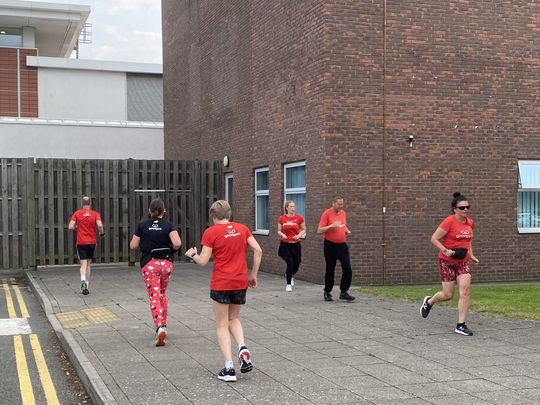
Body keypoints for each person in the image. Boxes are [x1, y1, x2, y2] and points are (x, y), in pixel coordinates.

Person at [185, 200, 262, 382]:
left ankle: (229, 369)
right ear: (229, 214)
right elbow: (258, 250)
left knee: (221, 324)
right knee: (233, 319)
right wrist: (253, 275)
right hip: (240, 281)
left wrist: (192, 254)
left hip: (221, 282)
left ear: (213, 216)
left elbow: (203, 261)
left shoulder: (211, 232)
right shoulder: (242, 229)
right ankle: (242, 347)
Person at [420, 192, 479, 336]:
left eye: (467, 207)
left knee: (465, 291)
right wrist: (445, 250)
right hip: (447, 262)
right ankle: (429, 302)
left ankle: (461, 325)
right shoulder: (449, 221)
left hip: (463, 262)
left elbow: (468, 241)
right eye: (462, 208)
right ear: (455, 209)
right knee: (448, 295)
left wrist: (471, 255)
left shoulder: (470, 222)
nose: (465, 210)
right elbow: (434, 238)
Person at [129, 198, 181, 346]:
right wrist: (171, 250)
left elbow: (133, 245)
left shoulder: (142, 225)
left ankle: (159, 327)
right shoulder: (169, 225)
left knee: (154, 295)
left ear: (149, 211)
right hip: (166, 264)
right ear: (163, 211)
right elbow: (177, 243)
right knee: (162, 294)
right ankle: (163, 324)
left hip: (149, 263)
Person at [317, 195, 355, 302]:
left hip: (342, 246)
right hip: (330, 245)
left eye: (342, 204)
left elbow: (342, 225)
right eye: (339, 204)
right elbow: (319, 230)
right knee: (330, 269)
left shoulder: (343, 213)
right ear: (333, 203)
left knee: (347, 268)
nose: (341, 206)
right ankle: (327, 292)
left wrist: (346, 230)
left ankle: (344, 292)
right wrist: (331, 226)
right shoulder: (326, 214)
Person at [68, 196, 104, 295]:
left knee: (82, 264)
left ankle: (82, 280)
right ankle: (86, 285)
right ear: (90, 204)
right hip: (92, 242)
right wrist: (101, 233)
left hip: (81, 242)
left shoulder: (77, 213)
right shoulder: (95, 214)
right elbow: (100, 225)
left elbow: (70, 226)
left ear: (82, 203)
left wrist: (77, 227)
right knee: (88, 264)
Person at [277, 200, 306, 292]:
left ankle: (289, 274)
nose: (293, 208)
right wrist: (283, 235)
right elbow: (279, 230)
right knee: (290, 262)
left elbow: (304, 229)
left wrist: (298, 235)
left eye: (294, 206)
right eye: (291, 207)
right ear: (287, 208)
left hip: (295, 244)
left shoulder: (299, 218)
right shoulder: (282, 218)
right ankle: (288, 284)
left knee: (297, 263)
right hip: (285, 244)